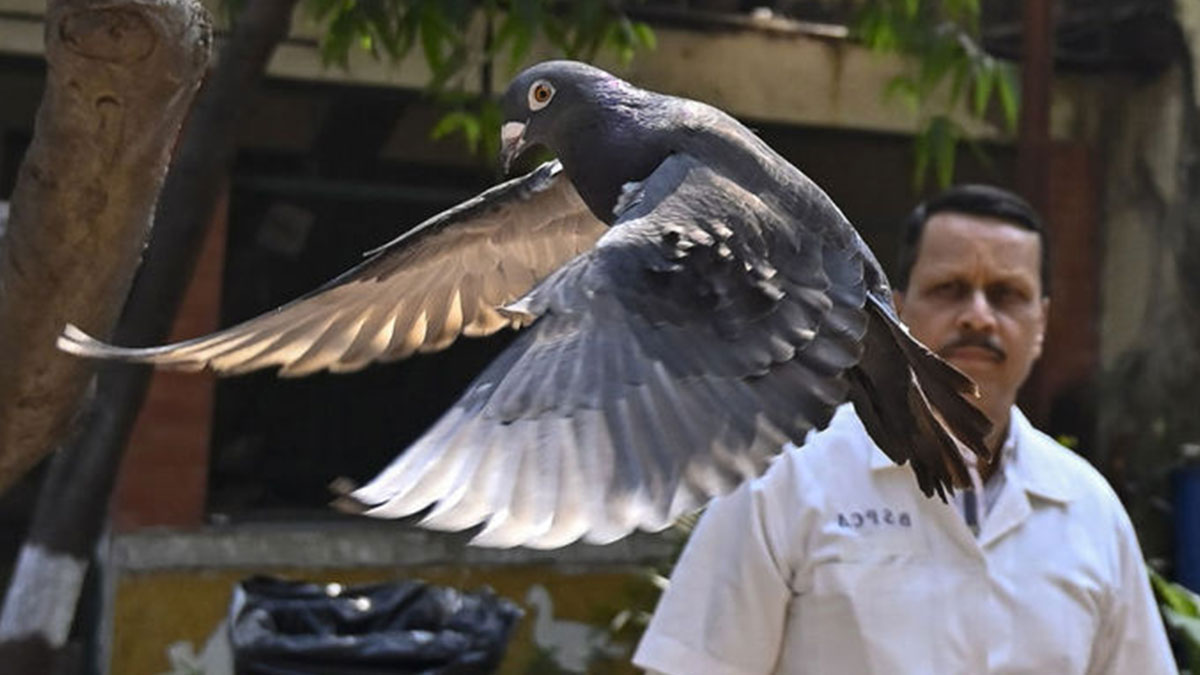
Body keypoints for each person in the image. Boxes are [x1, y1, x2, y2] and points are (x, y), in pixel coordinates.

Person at [632, 185, 1176, 674]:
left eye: (1007, 294)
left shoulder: (1088, 509)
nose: (978, 317)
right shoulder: (787, 477)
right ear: (897, 311)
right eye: (950, 288)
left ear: (1041, 324)